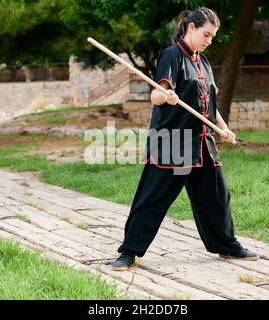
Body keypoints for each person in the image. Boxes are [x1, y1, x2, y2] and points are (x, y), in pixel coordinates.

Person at [111, 7, 259, 271]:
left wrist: (223, 128)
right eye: (206, 34)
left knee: (216, 197)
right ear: (191, 28)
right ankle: (129, 252)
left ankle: (226, 246)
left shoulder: (203, 62)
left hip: (203, 143)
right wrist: (165, 96)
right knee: (152, 199)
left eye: (213, 36)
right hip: (172, 142)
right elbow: (156, 96)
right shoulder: (172, 56)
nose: (209, 40)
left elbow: (210, 105)